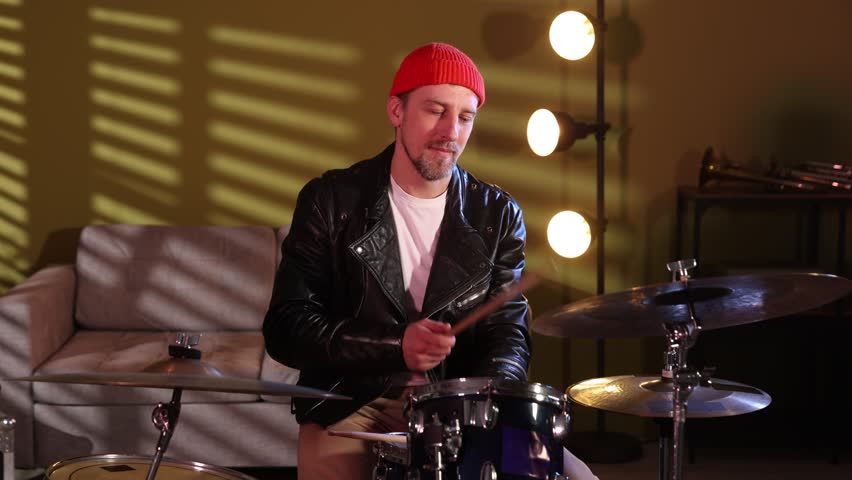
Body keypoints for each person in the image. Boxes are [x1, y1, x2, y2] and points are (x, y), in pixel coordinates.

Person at [264, 42, 598, 480]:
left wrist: (483, 403)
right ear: (396, 111)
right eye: (435, 110)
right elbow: (287, 326)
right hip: (354, 401)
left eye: (465, 117)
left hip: (458, 401)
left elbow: (508, 335)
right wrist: (395, 344)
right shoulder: (331, 200)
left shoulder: (496, 214)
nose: (450, 132)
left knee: (579, 478)